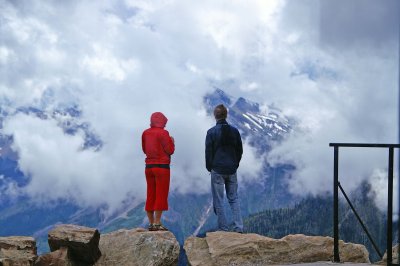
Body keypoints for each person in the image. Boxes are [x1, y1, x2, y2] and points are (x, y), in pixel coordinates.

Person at [205, 104, 244, 233]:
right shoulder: (235, 131)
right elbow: (240, 150)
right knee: (234, 198)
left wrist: (209, 167)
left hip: (217, 169)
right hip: (232, 169)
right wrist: (235, 164)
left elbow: (208, 152)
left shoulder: (211, 132)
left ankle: (223, 228)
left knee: (219, 199)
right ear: (226, 115)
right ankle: (239, 227)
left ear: (215, 116)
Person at [142, 112, 175, 231]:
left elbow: (145, 150)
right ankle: (157, 223)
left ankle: (151, 223)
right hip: (162, 167)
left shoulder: (145, 133)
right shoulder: (164, 133)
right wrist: (172, 141)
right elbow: (170, 150)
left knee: (150, 193)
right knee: (161, 194)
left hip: (148, 167)